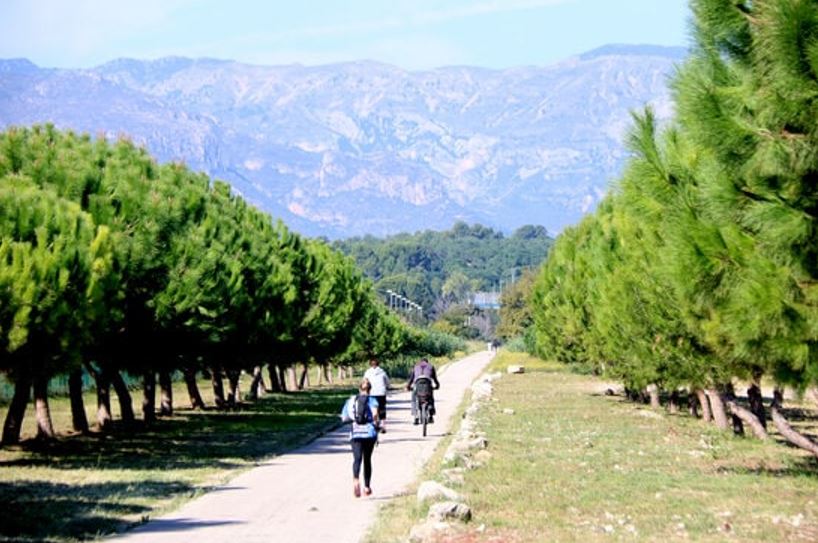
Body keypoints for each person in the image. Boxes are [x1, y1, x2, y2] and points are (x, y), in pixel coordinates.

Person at [340, 378, 380, 498]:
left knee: (357, 459)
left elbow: (343, 417)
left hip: (355, 433)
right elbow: (375, 415)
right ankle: (367, 487)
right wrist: (377, 425)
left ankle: (356, 480)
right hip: (369, 433)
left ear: (359, 389)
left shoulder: (352, 400)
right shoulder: (373, 400)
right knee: (367, 459)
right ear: (370, 389)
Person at [405, 358, 440, 425]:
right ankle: (431, 415)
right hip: (427, 383)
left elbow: (411, 379)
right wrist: (437, 385)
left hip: (417, 383)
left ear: (420, 362)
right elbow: (435, 378)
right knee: (430, 397)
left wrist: (408, 387)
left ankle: (416, 417)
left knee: (414, 398)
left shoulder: (415, 366)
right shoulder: (431, 366)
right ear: (427, 362)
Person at [363, 357, 391, 433]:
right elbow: (387, 382)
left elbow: (364, 382)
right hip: (381, 393)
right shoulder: (382, 372)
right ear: (378, 364)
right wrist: (388, 387)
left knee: (373, 409)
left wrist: (365, 390)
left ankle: (374, 424)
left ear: (370, 364)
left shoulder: (367, 372)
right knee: (382, 408)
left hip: (372, 393)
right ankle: (383, 425)